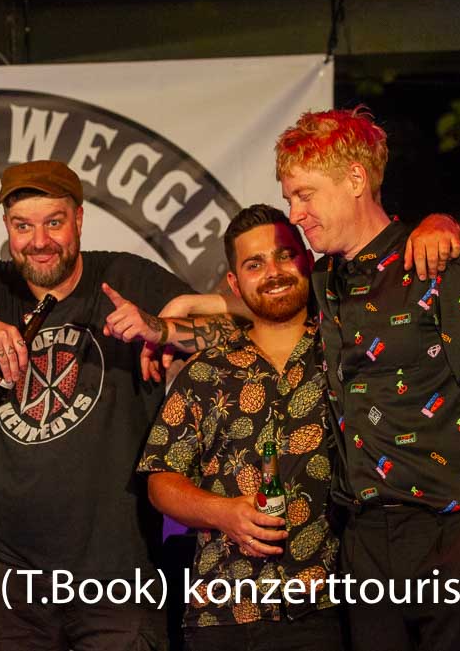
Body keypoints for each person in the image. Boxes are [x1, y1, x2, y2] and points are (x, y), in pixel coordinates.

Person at [276, 107, 460, 651]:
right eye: (290, 198)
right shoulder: (325, 279)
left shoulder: (440, 263)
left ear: (355, 179)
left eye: (304, 194)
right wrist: (172, 321)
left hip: (449, 529)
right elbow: (257, 308)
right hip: (364, 542)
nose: (295, 213)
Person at [0, 160, 193, 650]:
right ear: (6, 226)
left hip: (119, 575)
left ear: (79, 218)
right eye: (23, 226)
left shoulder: (124, 277)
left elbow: (235, 324)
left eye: (54, 222)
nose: (39, 241)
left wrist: (164, 329)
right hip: (11, 579)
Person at [138, 205, 342, 650]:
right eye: (255, 264)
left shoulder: (344, 353)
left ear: (307, 260)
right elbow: (160, 479)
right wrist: (222, 512)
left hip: (328, 609)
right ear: (234, 283)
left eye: (284, 256)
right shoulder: (206, 371)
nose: (273, 272)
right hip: (224, 613)